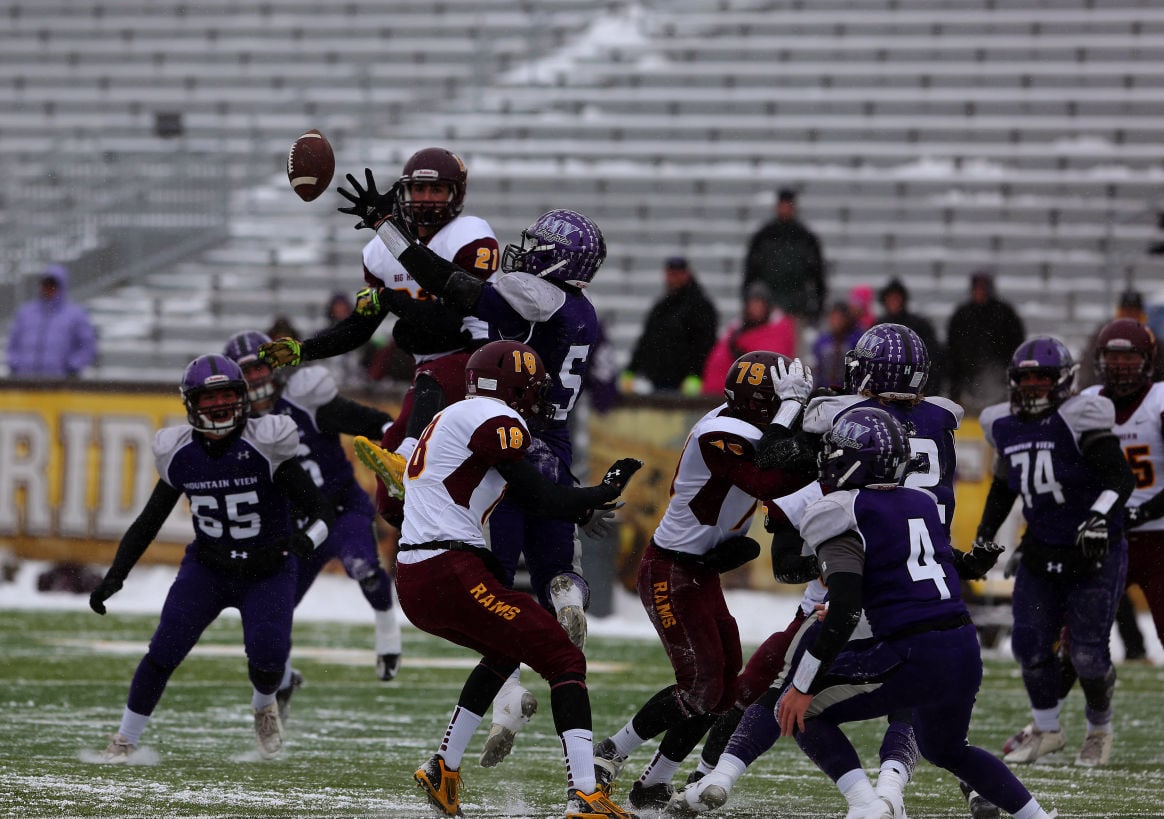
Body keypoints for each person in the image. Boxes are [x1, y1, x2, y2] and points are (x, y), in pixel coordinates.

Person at [335, 185, 616, 766]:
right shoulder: (584, 313)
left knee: (492, 590)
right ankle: (564, 594)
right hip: (555, 445)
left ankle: (495, 712)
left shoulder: (534, 295)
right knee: (552, 571)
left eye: (540, 246)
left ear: (559, 259)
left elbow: (449, 285)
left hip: (510, 438)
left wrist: (389, 230)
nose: (526, 251)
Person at [678, 324, 1002, 819]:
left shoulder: (848, 426)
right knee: (929, 691)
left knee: (795, 687)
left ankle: (726, 778)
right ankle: (935, 785)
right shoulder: (939, 420)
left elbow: (772, 460)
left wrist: (790, 409)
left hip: (861, 575)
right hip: (929, 572)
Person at [385, 339, 642, 818]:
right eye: (531, 388)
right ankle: (585, 793)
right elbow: (539, 495)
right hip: (449, 568)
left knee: (506, 650)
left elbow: (529, 496)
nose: (537, 397)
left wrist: (583, 501)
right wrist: (599, 492)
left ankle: (444, 767)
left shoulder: (451, 417)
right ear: (513, 388)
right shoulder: (495, 418)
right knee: (564, 658)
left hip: (418, 575)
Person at [768, 406, 1056, 819]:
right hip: (961, 646)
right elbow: (898, 570)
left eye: (835, 452)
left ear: (854, 459)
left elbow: (847, 608)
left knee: (798, 708)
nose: (828, 459)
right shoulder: (920, 501)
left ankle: (867, 807)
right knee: (947, 748)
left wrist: (802, 683)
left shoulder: (841, 510)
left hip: (911, 650)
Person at [590, 350, 817, 811]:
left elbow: (780, 456)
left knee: (723, 688)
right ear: (764, 405)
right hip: (670, 569)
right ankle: (611, 752)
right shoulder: (722, 432)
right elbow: (769, 478)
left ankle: (656, 780)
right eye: (778, 401)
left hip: (699, 570)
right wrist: (799, 420)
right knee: (702, 686)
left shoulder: (739, 421)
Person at [87, 355, 335, 762]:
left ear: (242, 397)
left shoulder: (266, 442)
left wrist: (306, 540)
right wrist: (116, 575)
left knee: (269, 656)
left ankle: (263, 707)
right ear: (190, 403)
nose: (219, 404)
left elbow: (322, 511)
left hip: (268, 569)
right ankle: (125, 740)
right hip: (209, 566)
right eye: (209, 396)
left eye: (227, 394)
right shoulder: (179, 453)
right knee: (163, 649)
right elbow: (149, 521)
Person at [259, 147, 500, 529]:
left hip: (482, 361)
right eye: (418, 189)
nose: (425, 199)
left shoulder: (469, 236)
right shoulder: (379, 253)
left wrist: (391, 300)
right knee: (390, 502)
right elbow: (360, 327)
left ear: (457, 194)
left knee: (429, 380)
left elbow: (451, 321)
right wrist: (304, 350)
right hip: (431, 372)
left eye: (436, 190)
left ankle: (408, 458)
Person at [976, 336, 1134, 768]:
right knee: (1027, 645)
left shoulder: (1079, 417)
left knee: (1086, 653)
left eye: (1041, 378)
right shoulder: (1004, 424)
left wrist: (1099, 517)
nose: (1032, 387)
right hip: (1042, 547)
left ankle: (1099, 729)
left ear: (1062, 380)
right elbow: (1005, 485)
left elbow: (1121, 480)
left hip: (1093, 550)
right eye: (1025, 379)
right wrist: (986, 534)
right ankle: (1048, 729)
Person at [222, 330, 402, 686]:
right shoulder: (237, 427)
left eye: (260, 368)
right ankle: (285, 677)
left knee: (363, 565)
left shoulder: (303, 400)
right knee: (274, 610)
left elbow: (369, 421)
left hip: (340, 509)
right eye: (247, 372)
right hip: (295, 529)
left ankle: (387, 633)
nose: (256, 378)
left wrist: (396, 436)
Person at [622, 256, 719, 396]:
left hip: (684, 385)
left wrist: (696, 375)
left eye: (678, 274)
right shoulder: (662, 307)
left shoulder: (701, 307)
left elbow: (705, 345)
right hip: (658, 381)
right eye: (671, 274)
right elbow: (647, 340)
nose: (674, 278)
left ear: (687, 274)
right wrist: (631, 370)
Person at [742, 188, 826, 327]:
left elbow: (818, 276)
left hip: (797, 309)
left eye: (788, 206)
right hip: (767, 311)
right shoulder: (764, 236)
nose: (785, 210)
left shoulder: (805, 237)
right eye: (782, 205)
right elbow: (750, 273)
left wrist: (817, 308)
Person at [945, 271, 1025, 414]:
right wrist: (955, 390)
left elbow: (1016, 349)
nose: (980, 292)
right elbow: (952, 354)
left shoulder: (1005, 314)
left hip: (999, 387)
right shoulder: (961, 316)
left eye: (983, 288)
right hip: (967, 387)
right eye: (977, 288)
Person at [700, 282, 797, 396]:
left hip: (750, 395)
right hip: (721, 392)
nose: (755, 308)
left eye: (759, 303)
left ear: (767, 306)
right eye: (752, 303)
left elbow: (772, 360)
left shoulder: (779, 329)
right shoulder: (736, 329)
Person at [5, 263, 98, 378]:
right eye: (45, 284)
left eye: (53, 285)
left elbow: (87, 345)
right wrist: (14, 364)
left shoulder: (75, 315)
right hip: (25, 383)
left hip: (58, 385)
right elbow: (13, 343)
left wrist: (72, 367)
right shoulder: (25, 313)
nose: (48, 289)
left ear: (62, 286)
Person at [875, 277, 944, 394]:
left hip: (914, 387)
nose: (893, 301)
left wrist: (929, 389)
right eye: (890, 298)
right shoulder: (878, 326)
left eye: (897, 298)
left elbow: (932, 357)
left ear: (903, 299)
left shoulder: (919, 325)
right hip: (884, 389)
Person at [810, 301, 863, 390]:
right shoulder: (822, 340)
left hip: (847, 390)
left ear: (846, 319)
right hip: (824, 388)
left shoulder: (856, 340)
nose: (836, 322)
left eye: (839, 318)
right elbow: (817, 366)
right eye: (833, 318)